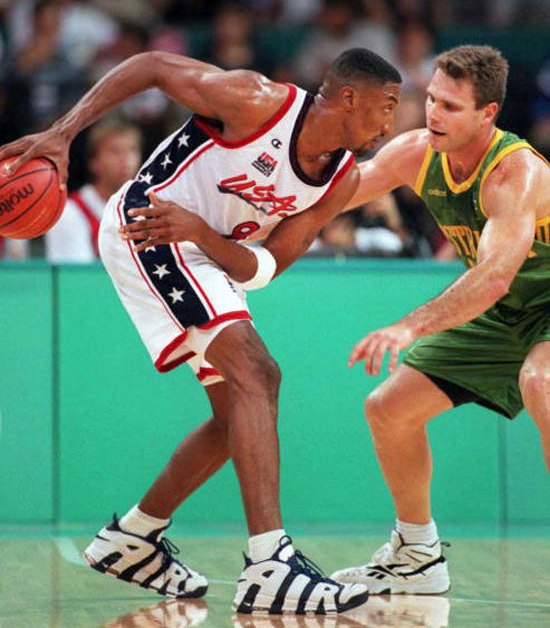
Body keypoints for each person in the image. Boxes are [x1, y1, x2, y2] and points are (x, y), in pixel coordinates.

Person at [0, 47, 401, 613]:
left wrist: (205, 237)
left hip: (202, 252)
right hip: (150, 227)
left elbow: (265, 268)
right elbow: (152, 67)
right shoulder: (257, 102)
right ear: (349, 98)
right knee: (259, 374)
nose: (389, 123)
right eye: (386, 107)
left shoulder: (339, 180)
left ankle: (134, 536)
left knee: (234, 413)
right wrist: (63, 133)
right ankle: (269, 565)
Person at [328, 44, 550, 594]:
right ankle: (417, 555)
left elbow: (495, 275)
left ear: (487, 115)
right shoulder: (415, 153)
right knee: (388, 408)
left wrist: (408, 326)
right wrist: (242, 216)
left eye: (451, 106)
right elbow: (334, 195)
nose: (432, 114)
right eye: (430, 98)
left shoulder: (514, 174)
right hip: (506, 313)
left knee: (541, 382)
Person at [45, 119, 142, 262]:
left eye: (132, 150)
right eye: (115, 152)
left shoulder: (149, 207)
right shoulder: (70, 212)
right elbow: (75, 278)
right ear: (94, 162)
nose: (126, 159)